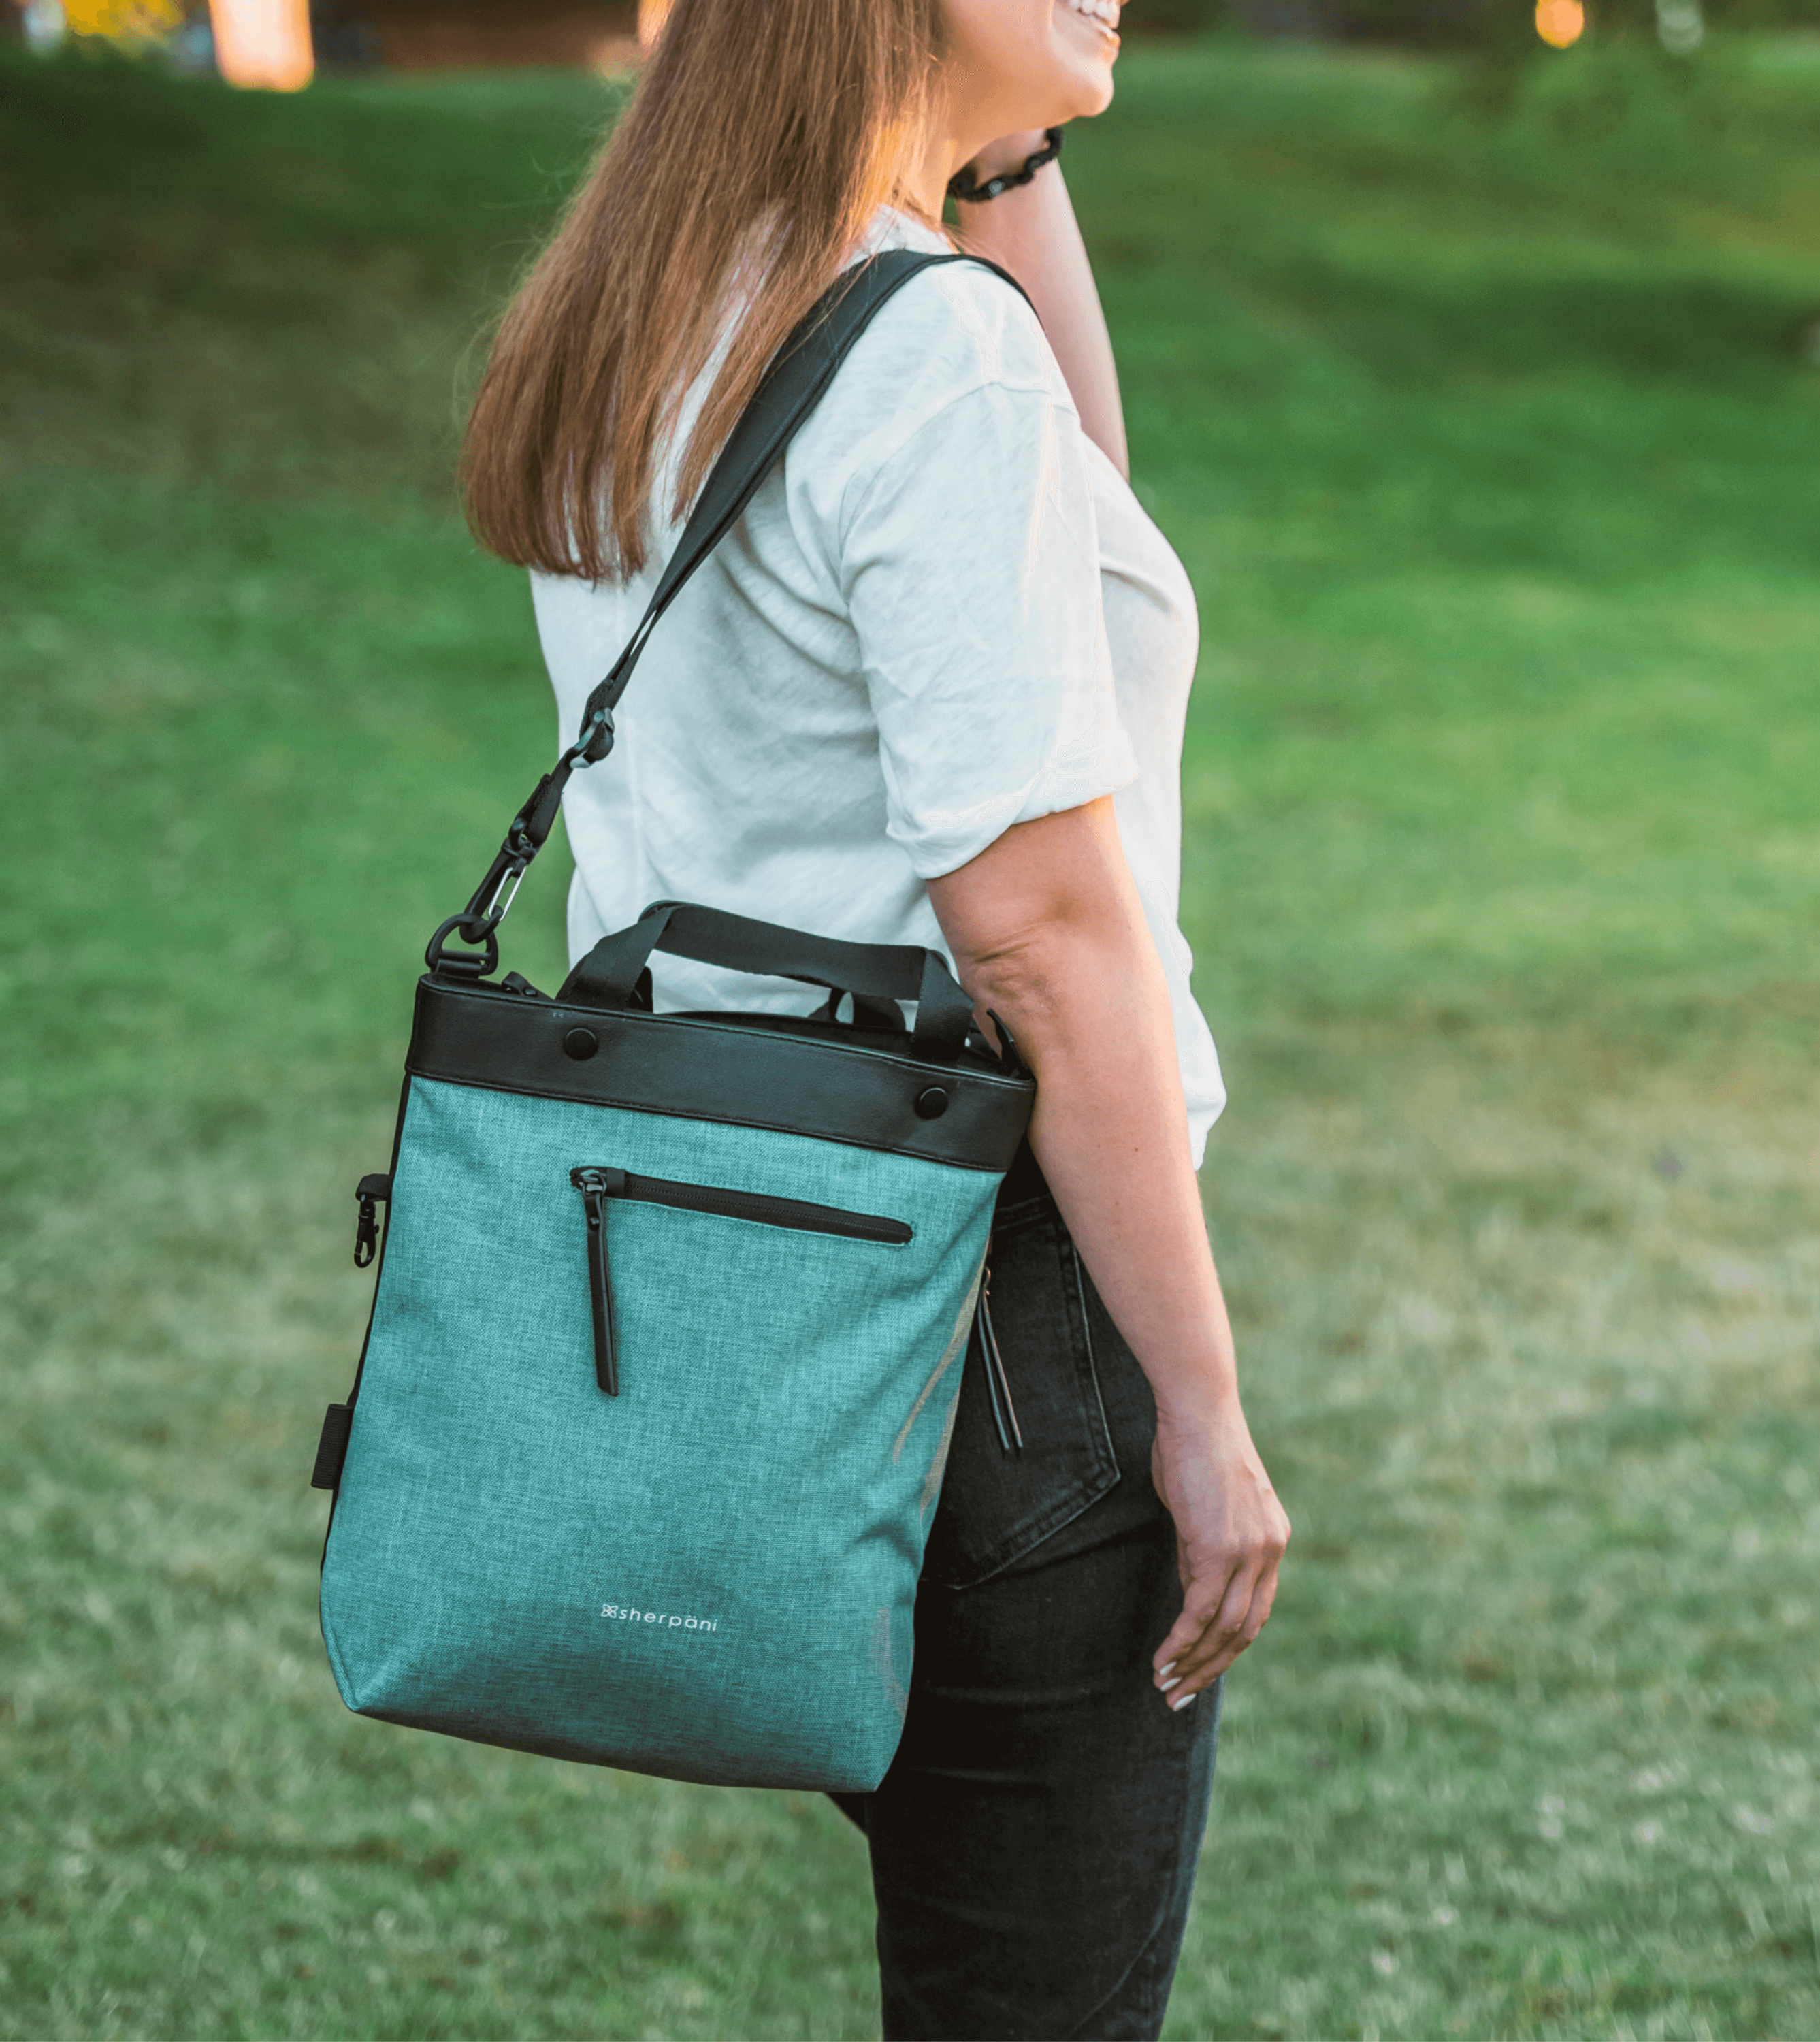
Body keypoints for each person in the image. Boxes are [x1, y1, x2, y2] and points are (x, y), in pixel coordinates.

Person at [459, 0, 1291, 2031]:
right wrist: (1196, 1404)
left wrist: (992, 161)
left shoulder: (663, 309)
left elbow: (1076, 532)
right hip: (984, 1302)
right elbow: (1035, 936)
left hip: (710, 1259)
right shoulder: (920, 354)